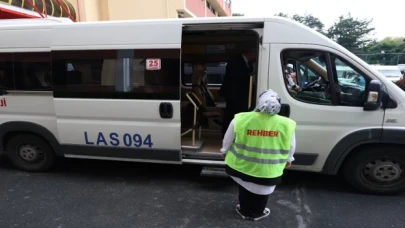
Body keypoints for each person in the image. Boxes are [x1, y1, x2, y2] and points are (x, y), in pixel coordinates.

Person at [221, 89, 296, 221]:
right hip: (269, 170)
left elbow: (228, 139)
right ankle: (257, 212)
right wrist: (289, 159)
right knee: (262, 191)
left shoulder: (241, 118)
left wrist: (224, 151)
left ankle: (244, 211)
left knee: (244, 187)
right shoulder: (287, 124)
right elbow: (291, 145)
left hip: (242, 166)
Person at [219, 48, 256, 136]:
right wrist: (252, 70)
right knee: (231, 115)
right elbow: (239, 77)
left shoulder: (245, 62)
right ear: (249, 53)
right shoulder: (236, 62)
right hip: (234, 94)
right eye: (254, 54)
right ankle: (227, 134)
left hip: (239, 94)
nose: (255, 57)